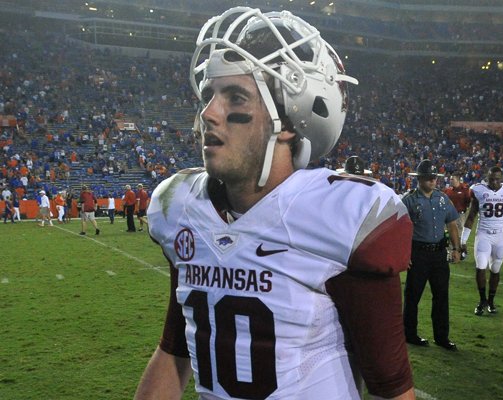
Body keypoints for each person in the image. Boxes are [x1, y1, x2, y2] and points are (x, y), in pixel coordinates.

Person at [135, 7, 415, 400]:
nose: (208, 112)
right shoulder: (181, 208)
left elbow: (392, 389)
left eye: (234, 96)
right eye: (210, 94)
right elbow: (173, 349)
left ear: (286, 126)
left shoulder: (341, 220)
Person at [401, 159, 461, 351]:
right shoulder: (408, 200)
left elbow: (452, 223)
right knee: (413, 296)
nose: (433, 180)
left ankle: (441, 337)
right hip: (417, 253)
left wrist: (456, 248)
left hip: (439, 254)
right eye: (429, 178)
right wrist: (404, 254)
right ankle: (409, 334)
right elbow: (400, 229)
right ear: (420, 179)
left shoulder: (443, 198)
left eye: (435, 177)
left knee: (442, 296)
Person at [462, 166, 503, 315]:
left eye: (497, 179)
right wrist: (463, 241)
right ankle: (482, 300)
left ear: (502, 179)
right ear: (487, 177)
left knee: (495, 270)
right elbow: (471, 216)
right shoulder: (479, 190)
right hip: (483, 234)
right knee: (480, 266)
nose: (494, 182)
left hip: (501, 235)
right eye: (491, 179)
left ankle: (491, 301)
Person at [444, 173, 471, 240]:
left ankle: (459, 248)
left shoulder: (465, 189)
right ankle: (449, 249)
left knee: (459, 234)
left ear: (458, 180)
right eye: (450, 179)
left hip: (460, 215)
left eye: (452, 179)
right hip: (449, 215)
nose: (450, 180)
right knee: (448, 233)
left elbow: (469, 201)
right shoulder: (448, 190)